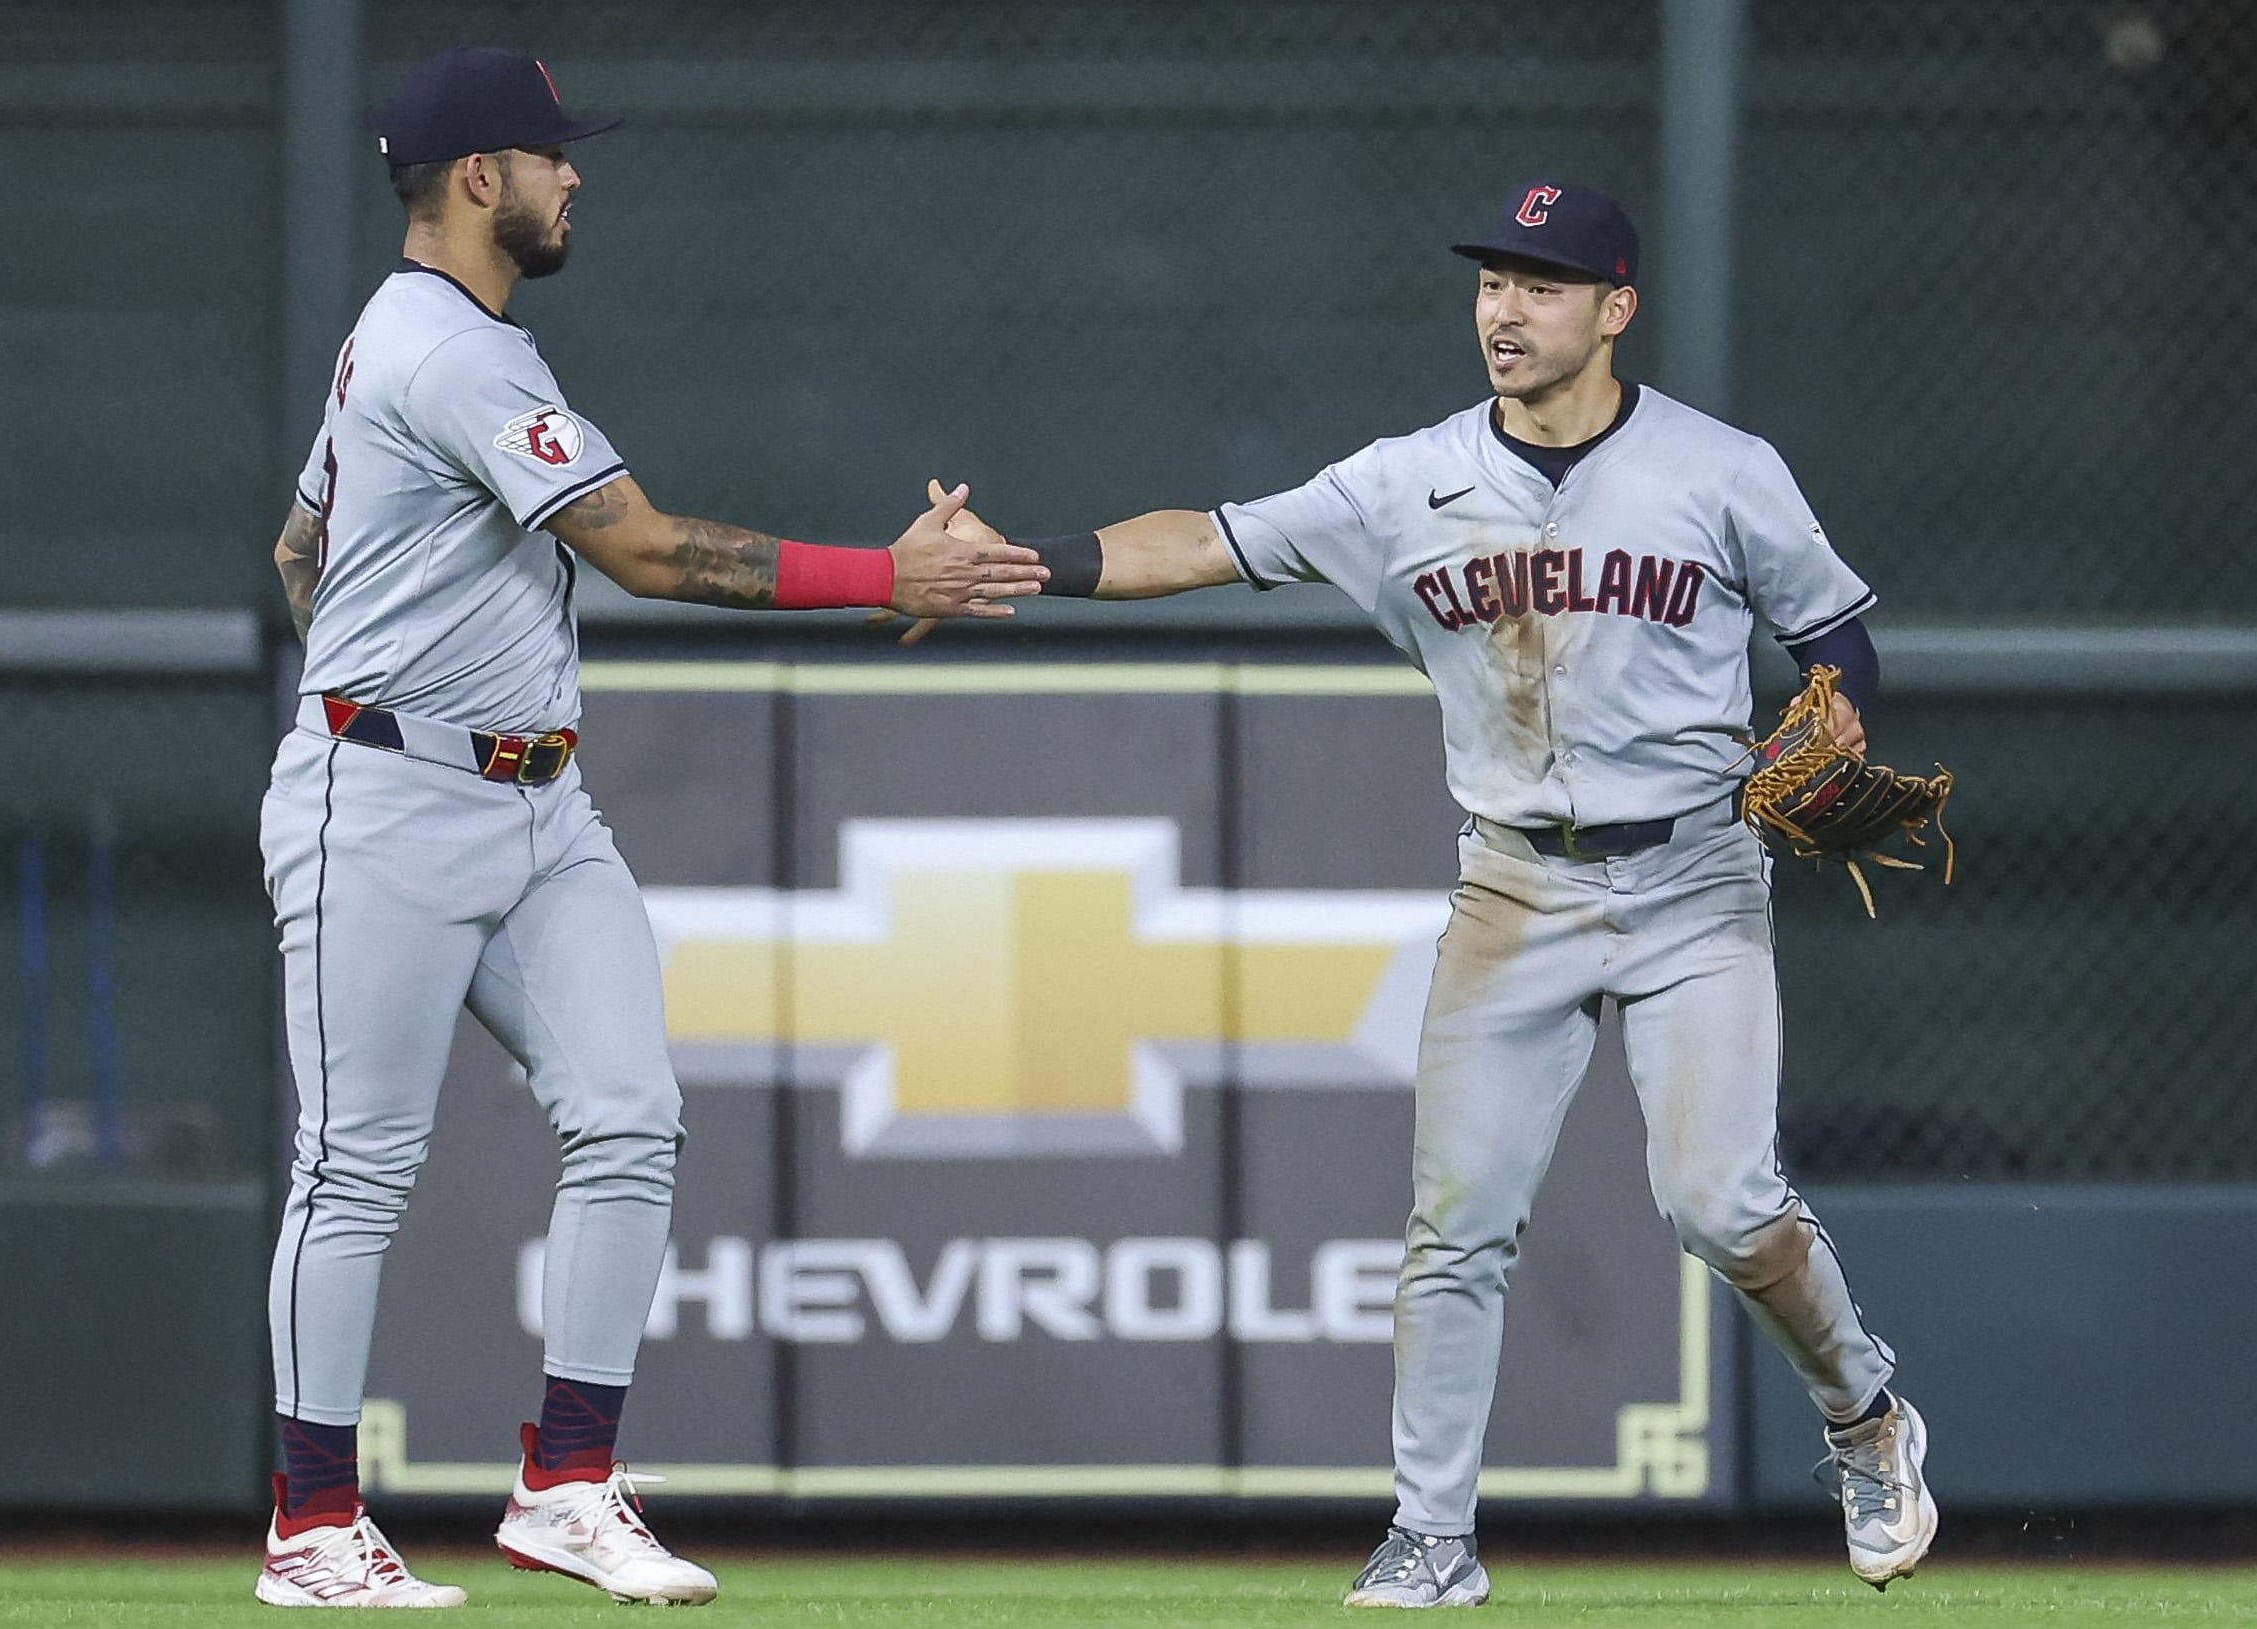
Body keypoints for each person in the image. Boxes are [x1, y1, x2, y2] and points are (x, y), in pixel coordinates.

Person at [937, 181, 1935, 1605]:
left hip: (1695, 877)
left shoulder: (1720, 468)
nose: (1505, 309)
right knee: (1456, 1221)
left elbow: (1838, 632)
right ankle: (1431, 1533)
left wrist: (1838, 705)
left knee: (1718, 1201)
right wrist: (1031, 561)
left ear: (1614, 308)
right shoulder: (1407, 482)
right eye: (1490, 282)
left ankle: (1866, 1415)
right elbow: (1210, 538)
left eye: (1540, 283)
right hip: (1513, 882)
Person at [254, 47, 1045, 1608]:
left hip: (538, 803)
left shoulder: (420, 340)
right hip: (390, 800)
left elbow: (300, 548)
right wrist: (890, 576)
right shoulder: (448, 354)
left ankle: (569, 1482)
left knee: (628, 1116)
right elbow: (647, 551)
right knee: (356, 1169)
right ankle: (310, 1522)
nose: (573, 176)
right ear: (479, 178)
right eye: (551, 156)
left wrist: (382, 634)